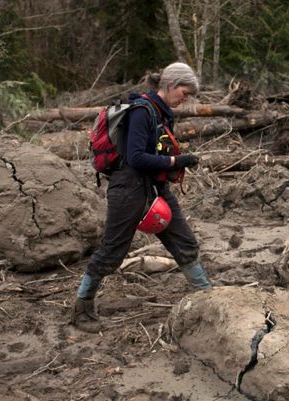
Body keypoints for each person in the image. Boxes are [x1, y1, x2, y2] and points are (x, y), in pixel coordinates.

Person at [71, 62, 212, 333]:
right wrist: (176, 160)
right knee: (112, 251)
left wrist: (171, 163)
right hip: (128, 188)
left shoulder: (163, 112)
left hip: (154, 187)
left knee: (185, 242)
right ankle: (82, 308)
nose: (187, 98)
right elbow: (135, 157)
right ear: (169, 86)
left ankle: (207, 298)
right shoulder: (142, 111)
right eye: (185, 92)